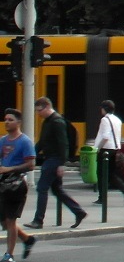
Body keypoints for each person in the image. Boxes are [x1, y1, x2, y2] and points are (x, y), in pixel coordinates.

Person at [25, 97, 87, 230]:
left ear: (47, 107)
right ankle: (79, 212)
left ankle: (38, 220)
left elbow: (63, 143)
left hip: (54, 160)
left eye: (39, 111)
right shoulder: (47, 122)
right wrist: (31, 154)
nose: (38, 114)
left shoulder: (57, 121)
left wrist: (62, 164)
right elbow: (42, 141)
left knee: (42, 188)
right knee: (57, 190)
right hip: (50, 158)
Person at [0, 109, 38, 262]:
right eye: (5, 119)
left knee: (10, 220)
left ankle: (9, 255)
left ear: (18, 122)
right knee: (4, 221)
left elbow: (31, 165)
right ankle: (27, 239)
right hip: (3, 184)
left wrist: (10, 169)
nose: (7, 122)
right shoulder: (3, 140)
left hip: (16, 186)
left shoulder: (25, 141)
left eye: (10, 119)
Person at [94, 99, 124, 205]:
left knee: (100, 174)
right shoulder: (117, 120)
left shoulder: (105, 120)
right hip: (115, 149)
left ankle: (102, 198)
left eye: (101, 108)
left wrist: (98, 148)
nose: (101, 110)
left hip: (105, 150)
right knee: (111, 174)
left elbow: (105, 136)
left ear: (105, 109)